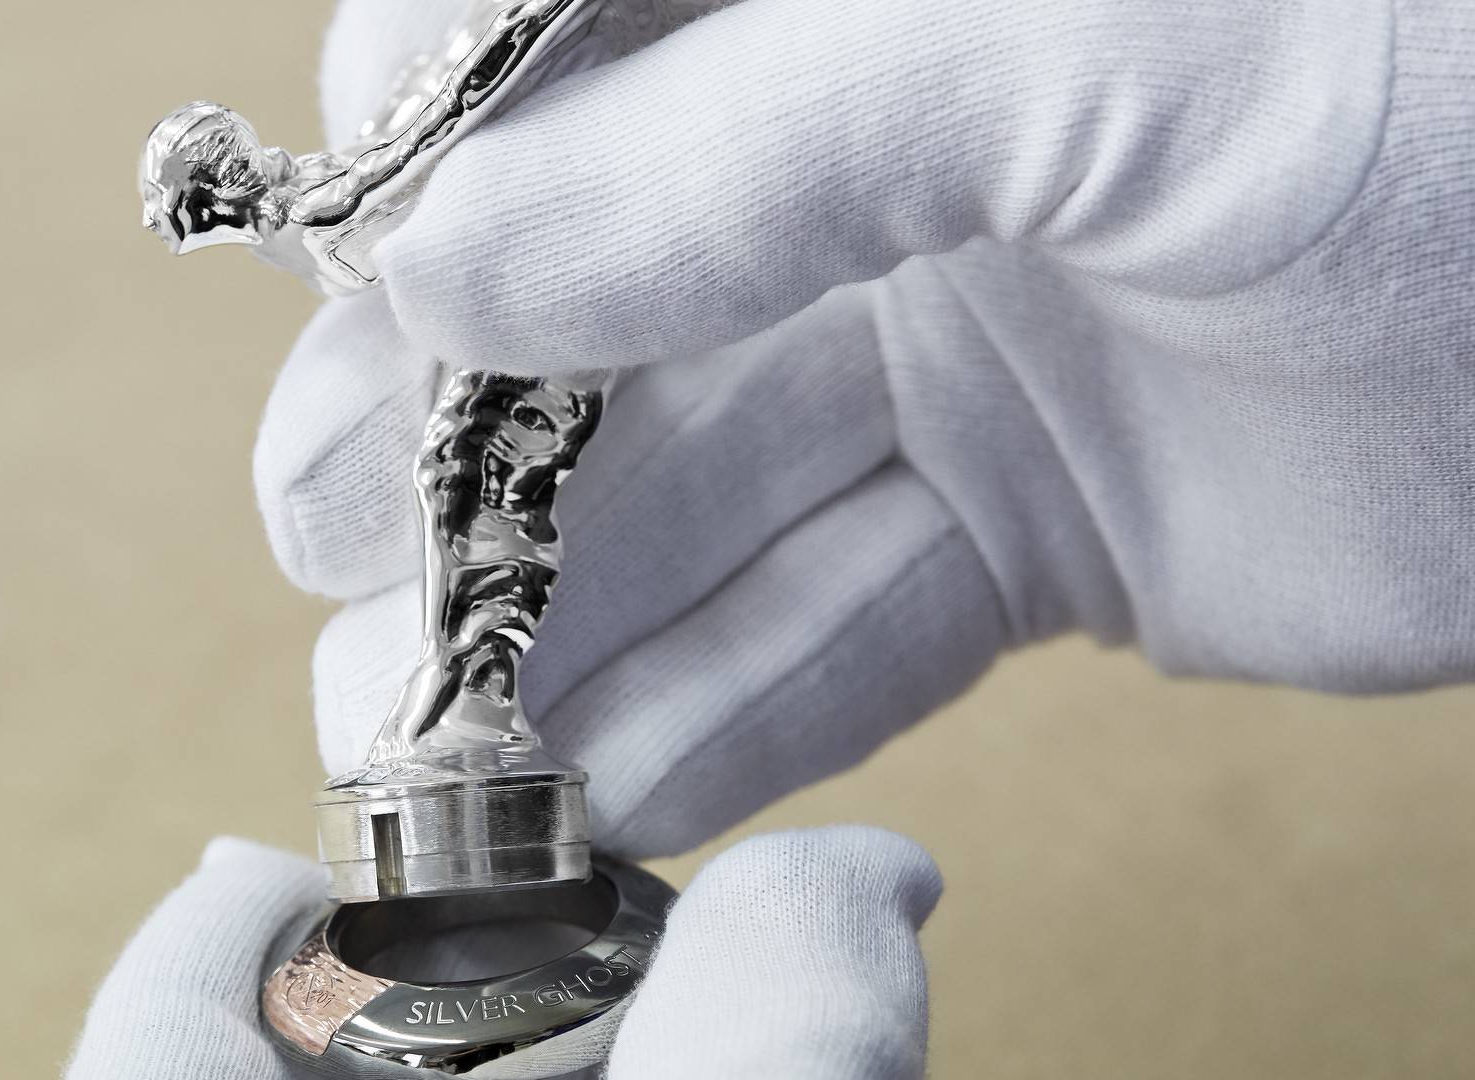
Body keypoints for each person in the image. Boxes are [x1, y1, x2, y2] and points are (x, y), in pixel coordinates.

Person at [71, 0, 1474, 1075]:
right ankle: (462, 713)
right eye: (196, 211)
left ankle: (464, 711)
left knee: (469, 472)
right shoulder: (369, 186)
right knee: (459, 478)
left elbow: (412, 165)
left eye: (198, 200)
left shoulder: (413, 153)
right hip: (520, 324)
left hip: (541, 308)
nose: (201, 220)